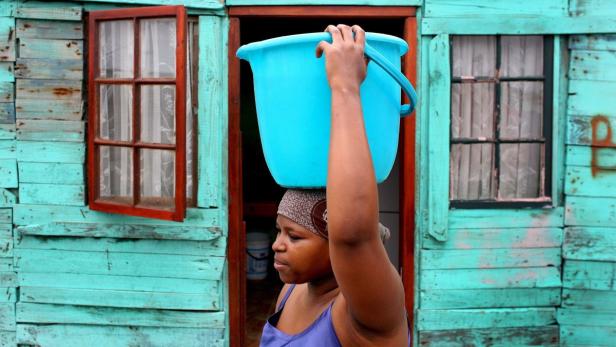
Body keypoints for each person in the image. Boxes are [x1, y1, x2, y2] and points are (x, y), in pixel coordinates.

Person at [259, 24, 410, 346]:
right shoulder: (292, 291)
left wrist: (345, 86)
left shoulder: (371, 312)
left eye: (295, 236)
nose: (277, 245)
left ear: (335, 243)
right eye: (280, 231)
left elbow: (353, 236)